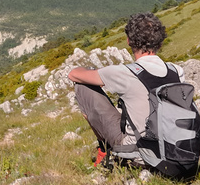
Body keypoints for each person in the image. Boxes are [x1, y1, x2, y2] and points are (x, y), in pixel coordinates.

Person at [67, 12, 184, 166]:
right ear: (160, 42)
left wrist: (86, 68)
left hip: (140, 153)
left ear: (129, 41)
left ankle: (103, 148)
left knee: (83, 85)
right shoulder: (176, 71)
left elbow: (73, 75)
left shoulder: (125, 72)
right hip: (176, 149)